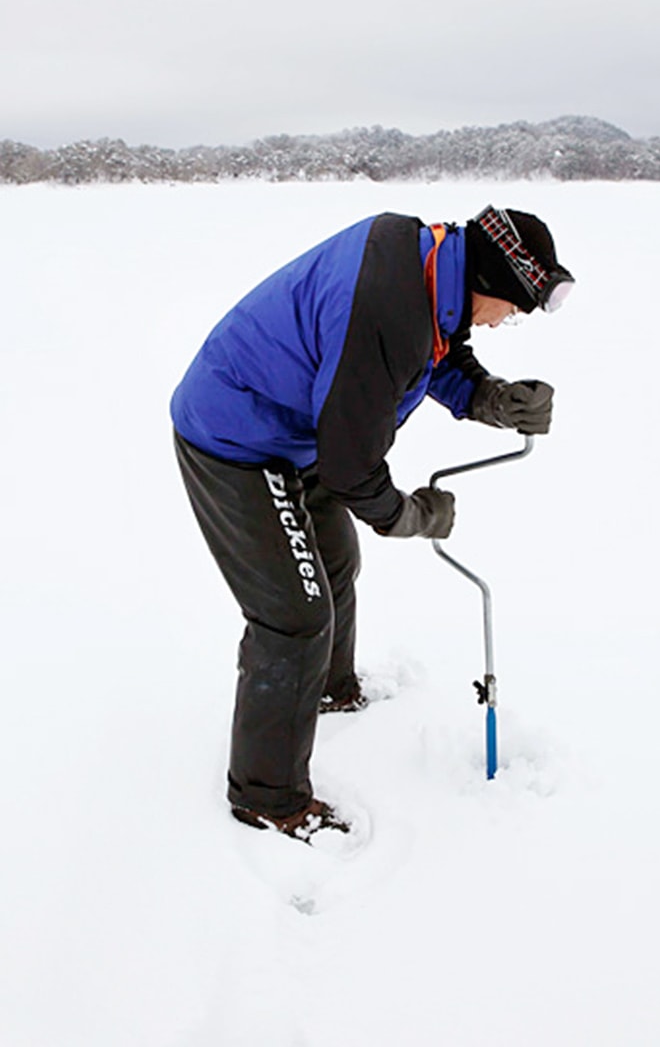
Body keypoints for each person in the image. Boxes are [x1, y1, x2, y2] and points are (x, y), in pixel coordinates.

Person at [171, 205, 574, 840]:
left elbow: (431, 352)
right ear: (488, 284)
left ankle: (331, 689)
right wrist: (412, 516)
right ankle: (267, 798)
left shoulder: (425, 263)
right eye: (514, 307)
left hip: (299, 428)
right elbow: (352, 467)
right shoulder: (386, 307)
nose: (511, 320)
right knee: (294, 615)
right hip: (237, 437)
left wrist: (489, 398)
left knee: (336, 564)